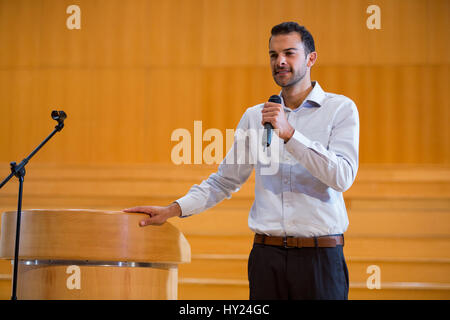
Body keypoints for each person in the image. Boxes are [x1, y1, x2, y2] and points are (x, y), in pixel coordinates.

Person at [124, 21, 359, 300]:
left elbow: (342, 176)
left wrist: (291, 135)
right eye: (273, 55)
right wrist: (174, 209)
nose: (280, 61)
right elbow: (225, 180)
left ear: (311, 58)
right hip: (266, 257)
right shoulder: (255, 116)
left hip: (320, 258)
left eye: (289, 53)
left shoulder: (340, 109)